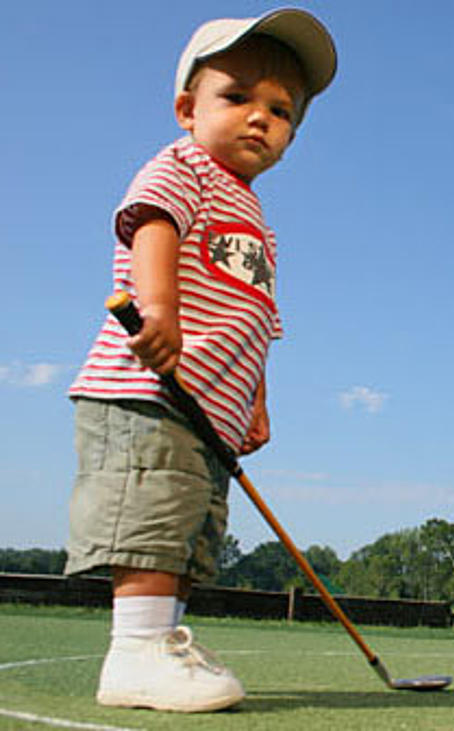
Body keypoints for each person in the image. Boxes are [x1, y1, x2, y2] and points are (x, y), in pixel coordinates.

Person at [65, 9, 337, 711]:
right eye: (238, 97)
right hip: (148, 388)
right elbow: (150, 225)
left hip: (210, 410)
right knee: (154, 515)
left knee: (190, 524)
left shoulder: (257, 222)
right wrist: (158, 309)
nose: (260, 118)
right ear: (188, 109)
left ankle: (165, 639)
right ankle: (135, 652)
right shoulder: (182, 166)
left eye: (281, 110)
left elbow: (256, 318)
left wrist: (255, 399)